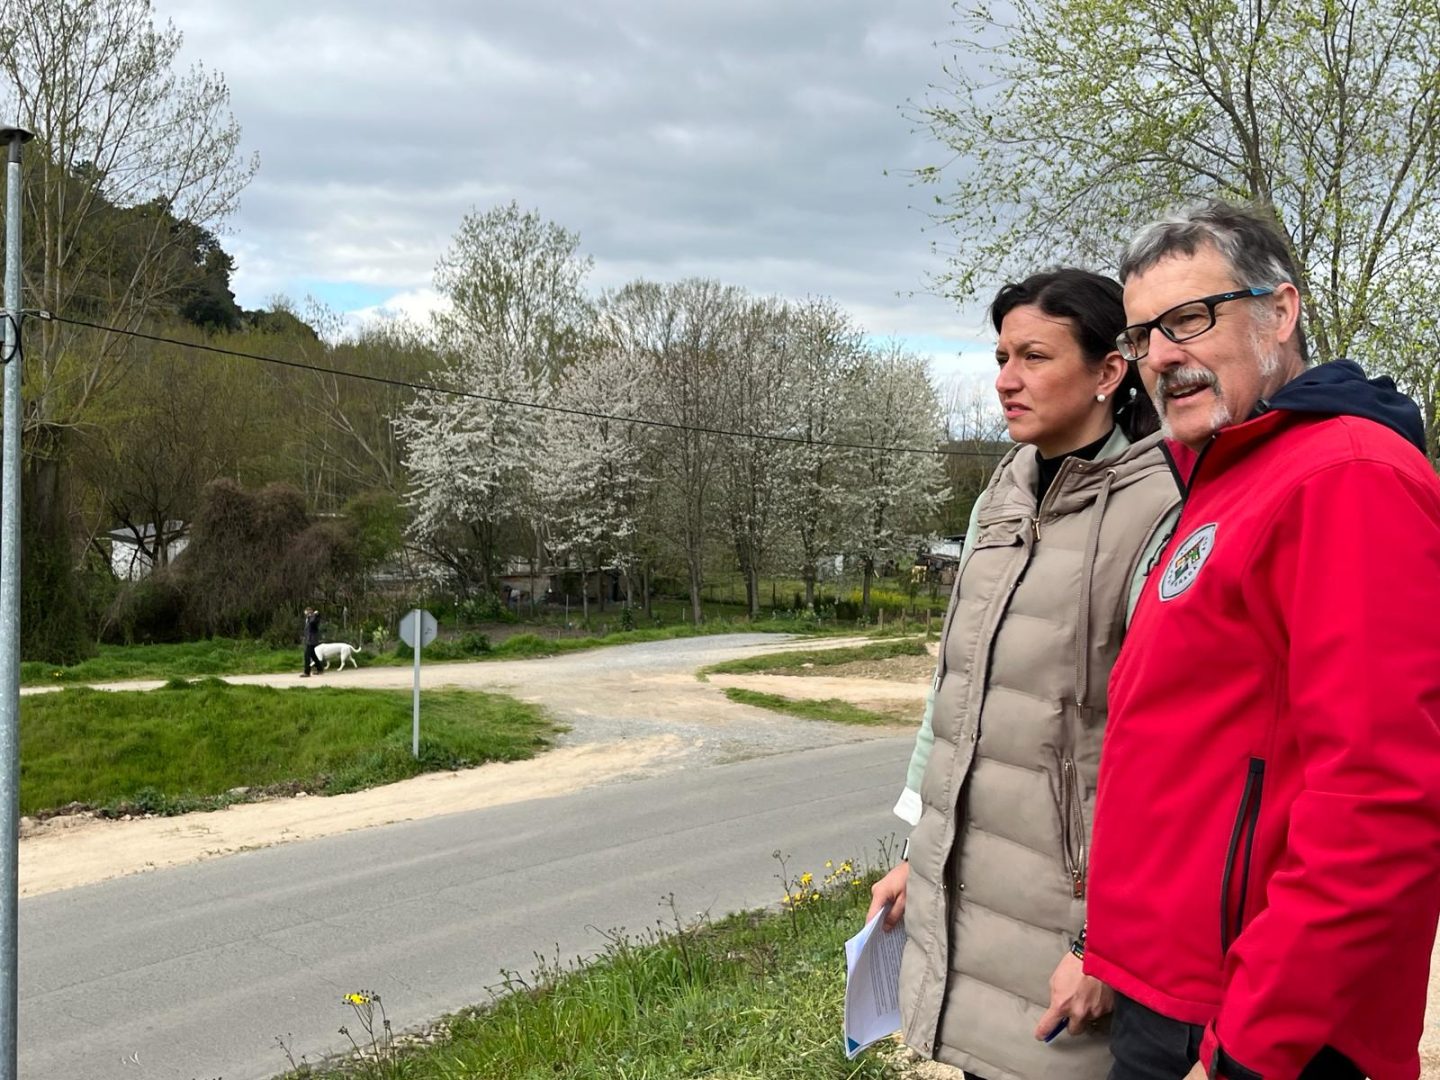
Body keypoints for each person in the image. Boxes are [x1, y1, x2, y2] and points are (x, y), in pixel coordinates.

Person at [1083, 200, 1440, 1080]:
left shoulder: (1346, 476)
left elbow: (1379, 798)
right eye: (1142, 337)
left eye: (1190, 319)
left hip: (1260, 1024)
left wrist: (1256, 1042)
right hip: (1169, 994)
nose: (1163, 355)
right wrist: (1102, 952)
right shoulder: (1225, 473)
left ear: (1280, 312)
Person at [867, 268, 1182, 1080]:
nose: (1005, 380)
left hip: (1079, 919)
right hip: (979, 896)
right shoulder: (999, 497)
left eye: (1034, 356)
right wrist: (920, 852)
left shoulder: (1167, 506)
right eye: (1001, 355)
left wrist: (1109, 944)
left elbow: (1162, 755)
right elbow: (957, 689)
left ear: (1111, 371)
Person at [301, 606, 321, 677]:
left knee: (307, 656)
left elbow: (313, 622)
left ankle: (307, 672)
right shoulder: (308, 619)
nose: (307, 613)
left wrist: (314, 615)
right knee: (313, 655)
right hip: (308, 640)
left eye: (308, 612)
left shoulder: (313, 619)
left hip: (311, 640)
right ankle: (320, 669)